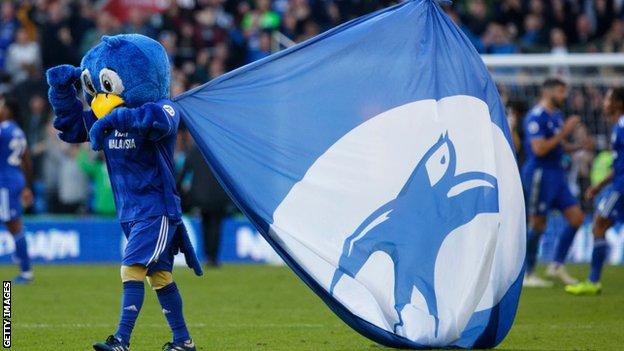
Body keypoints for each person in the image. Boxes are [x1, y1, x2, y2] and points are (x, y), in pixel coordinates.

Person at [46, 34, 201, 351]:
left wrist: (115, 119)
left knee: (131, 268)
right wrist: (62, 91)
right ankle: (183, 341)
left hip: (156, 209)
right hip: (130, 213)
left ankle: (121, 340)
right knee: (159, 278)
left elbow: (161, 120)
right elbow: (73, 127)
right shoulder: (104, 113)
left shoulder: (164, 107)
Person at [521, 77, 585, 287]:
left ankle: (556, 264)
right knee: (538, 223)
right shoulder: (535, 116)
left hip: (557, 175)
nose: (564, 96)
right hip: (540, 174)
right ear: (548, 92)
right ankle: (528, 273)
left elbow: (557, 145)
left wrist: (578, 146)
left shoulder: (556, 116)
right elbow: (539, 149)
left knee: (576, 218)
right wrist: (565, 132)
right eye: (560, 91)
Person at [565, 87, 624, 295]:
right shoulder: (618, 126)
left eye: (608, 98)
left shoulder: (622, 125)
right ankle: (593, 281)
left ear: (617, 103)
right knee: (599, 225)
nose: (604, 102)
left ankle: (593, 281)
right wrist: (599, 185)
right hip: (617, 183)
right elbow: (619, 165)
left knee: (598, 224)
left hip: (621, 187)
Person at [0, 96, 34, 284]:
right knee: (12, 224)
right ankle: (22, 260)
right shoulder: (17, 131)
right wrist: (27, 185)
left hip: (5, 181)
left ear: (8, 111)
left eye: (2, 106)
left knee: (14, 225)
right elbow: (26, 159)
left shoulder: (3, 130)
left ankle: (26, 271)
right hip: (15, 179)